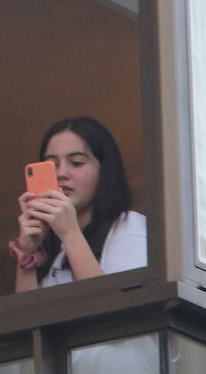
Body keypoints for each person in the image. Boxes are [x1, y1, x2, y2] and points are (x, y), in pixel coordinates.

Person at [9, 116, 146, 291]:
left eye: (76, 163)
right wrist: (27, 252)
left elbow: (111, 307)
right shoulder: (56, 252)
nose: (61, 173)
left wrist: (69, 233)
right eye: (52, 165)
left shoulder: (128, 226)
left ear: (104, 170)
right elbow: (26, 316)